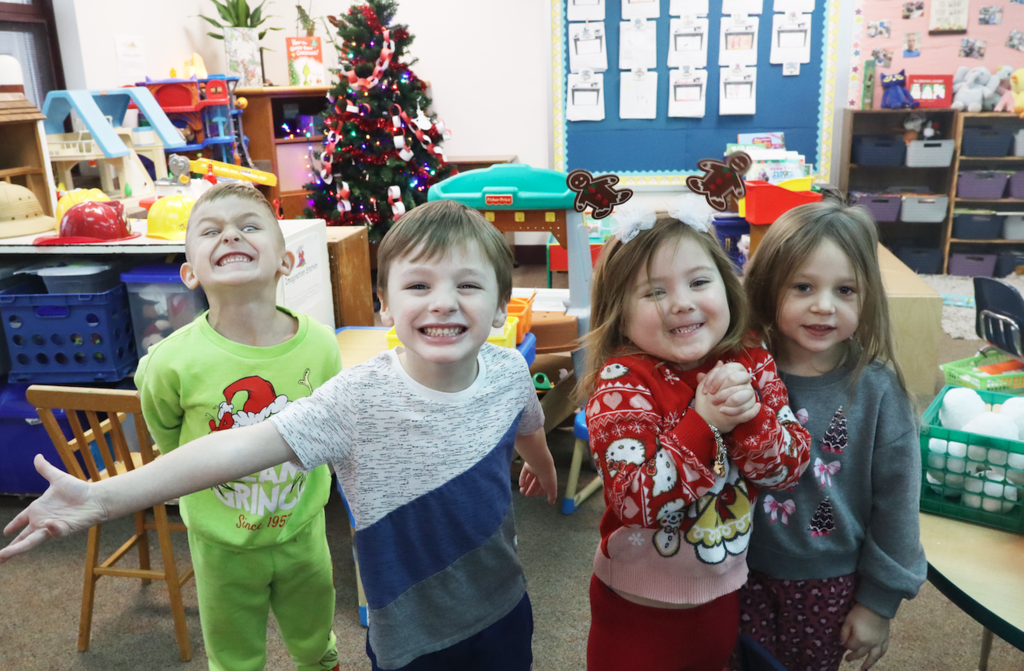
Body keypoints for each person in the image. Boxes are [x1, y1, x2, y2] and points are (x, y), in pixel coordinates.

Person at [1, 198, 558, 671]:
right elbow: (238, 446)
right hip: (408, 631)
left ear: (500, 303)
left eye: (468, 284)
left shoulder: (508, 370)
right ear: (385, 304)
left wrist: (542, 466)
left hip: (501, 604)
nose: (443, 301)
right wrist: (104, 496)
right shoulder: (355, 397)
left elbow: (527, 424)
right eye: (418, 285)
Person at [577, 205, 812, 671]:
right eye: (654, 291)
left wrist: (749, 416)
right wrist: (704, 422)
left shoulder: (752, 358)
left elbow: (788, 469)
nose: (681, 302)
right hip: (637, 613)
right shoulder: (621, 384)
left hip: (724, 593)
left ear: (728, 288)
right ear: (619, 315)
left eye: (699, 282)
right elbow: (633, 501)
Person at [740, 199, 927, 671]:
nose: (824, 306)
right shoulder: (738, 373)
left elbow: (898, 504)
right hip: (732, 570)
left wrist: (879, 602)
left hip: (827, 584)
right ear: (767, 286)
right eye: (803, 286)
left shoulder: (878, 390)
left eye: (845, 290)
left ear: (866, 298)